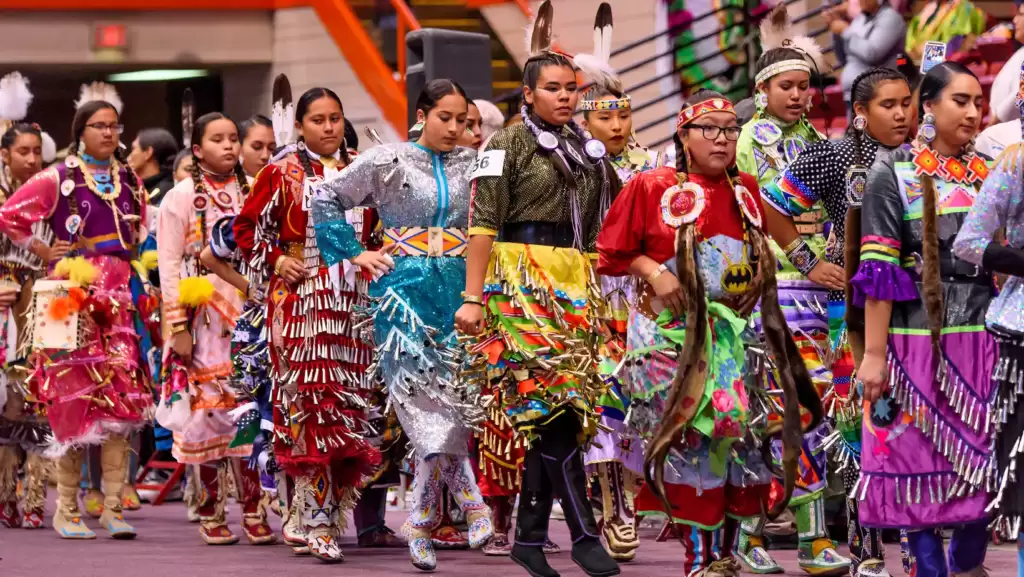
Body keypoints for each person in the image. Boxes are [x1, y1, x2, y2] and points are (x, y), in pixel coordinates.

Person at [598, 86, 819, 577]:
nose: (722, 139)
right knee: (694, 442)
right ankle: (699, 560)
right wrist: (656, 272)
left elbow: (760, 249)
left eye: (729, 129)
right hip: (672, 336)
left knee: (737, 443)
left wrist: (759, 276)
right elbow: (611, 253)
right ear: (684, 133)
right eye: (710, 130)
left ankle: (724, 554)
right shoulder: (651, 186)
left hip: (737, 335)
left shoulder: (746, 190)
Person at [453, 3, 621, 576]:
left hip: (575, 280)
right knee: (553, 411)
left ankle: (528, 539)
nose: (566, 98)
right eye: (552, 89)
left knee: (564, 411)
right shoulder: (505, 144)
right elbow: (481, 223)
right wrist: (473, 298)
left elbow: (610, 221)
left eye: (572, 89)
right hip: (520, 278)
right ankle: (582, 532)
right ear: (527, 95)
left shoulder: (586, 147)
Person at [313, 78, 492, 572]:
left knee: (455, 400)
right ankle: (468, 502)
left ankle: (422, 519)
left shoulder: (478, 168)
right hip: (400, 294)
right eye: (446, 118)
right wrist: (356, 254)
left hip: (460, 293)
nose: (456, 129)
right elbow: (325, 197)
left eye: (465, 121)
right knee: (420, 404)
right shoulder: (387, 160)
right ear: (422, 114)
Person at [763, 67, 913, 577]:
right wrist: (809, 262)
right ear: (860, 113)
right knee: (857, 422)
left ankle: (916, 547)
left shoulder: (918, 160)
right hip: (850, 307)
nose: (900, 113)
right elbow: (772, 207)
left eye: (906, 103)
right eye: (888, 105)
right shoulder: (833, 155)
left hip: (913, 305)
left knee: (908, 419)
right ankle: (866, 550)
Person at [853, 61, 992, 577]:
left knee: (986, 463)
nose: (974, 113)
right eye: (961, 101)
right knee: (912, 462)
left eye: (979, 102)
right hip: (914, 344)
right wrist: (872, 355)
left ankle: (968, 562)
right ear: (926, 107)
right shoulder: (894, 173)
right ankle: (930, 570)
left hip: (984, 341)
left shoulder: (991, 171)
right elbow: (879, 270)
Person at [234, 87, 380, 563]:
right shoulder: (282, 171)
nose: (328, 127)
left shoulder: (361, 168)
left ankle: (320, 512)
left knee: (347, 405)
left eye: (335, 118)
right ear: (299, 126)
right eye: (317, 119)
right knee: (310, 406)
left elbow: (377, 231)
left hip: (353, 304)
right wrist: (277, 261)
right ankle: (314, 518)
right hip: (300, 302)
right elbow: (245, 230)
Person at [0, 100, 153, 540]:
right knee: (70, 399)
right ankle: (65, 509)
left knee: (121, 401)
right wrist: (44, 250)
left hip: (117, 297)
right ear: (80, 131)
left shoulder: (128, 180)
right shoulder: (58, 178)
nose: (108, 133)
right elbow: (10, 216)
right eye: (98, 126)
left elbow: (138, 232)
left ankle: (110, 507)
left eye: (113, 126)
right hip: (66, 295)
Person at [735, 6, 849, 575]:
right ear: (761, 89)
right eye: (787, 86)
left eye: (806, 86)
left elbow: (833, 212)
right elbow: (750, 210)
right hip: (763, 287)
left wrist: (830, 259)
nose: (799, 95)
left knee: (816, 408)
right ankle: (749, 534)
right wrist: (804, 257)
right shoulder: (745, 141)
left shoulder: (821, 142)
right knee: (767, 409)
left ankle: (813, 537)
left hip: (817, 293)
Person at [573, 3, 662, 561]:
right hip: (590, 288)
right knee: (601, 393)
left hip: (643, 295)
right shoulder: (574, 163)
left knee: (641, 396)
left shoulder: (654, 164)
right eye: (606, 117)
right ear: (586, 120)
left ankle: (625, 494)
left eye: (624, 115)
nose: (618, 125)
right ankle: (611, 507)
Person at [158, 112, 271, 546]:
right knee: (208, 413)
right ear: (197, 149)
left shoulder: (255, 189)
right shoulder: (181, 196)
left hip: (250, 308)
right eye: (217, 140)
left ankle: (254, 507)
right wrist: (177, 326)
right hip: (201, 313)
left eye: (232, 139)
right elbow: (169, 265)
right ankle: (210, 508)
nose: (228, 146)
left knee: (248, 409)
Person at [0, 119, 53, 531]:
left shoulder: (54, 196)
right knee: (6, 402)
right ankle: (4, 493)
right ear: (5, 155)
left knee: (40, 399)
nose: (32, 160)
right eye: (23, 152)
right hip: (5, 311)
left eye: (37, 152)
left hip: (47, 306)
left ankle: (35, 495)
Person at [826, 0, 907, 108]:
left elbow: (872, 54)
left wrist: (845, 30)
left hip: (877, 94)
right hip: (852, 94)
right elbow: (844, 58)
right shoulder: (860, 19)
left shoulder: (891, 18)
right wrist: (837, 32)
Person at [904, 0, 987, 65]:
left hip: (945, 68)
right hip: (918, 64)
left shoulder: (965, 9)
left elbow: (961, 46)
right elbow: (911, 43)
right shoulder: (929, 9)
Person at [127, 128, 178, 207]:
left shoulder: (166, 194)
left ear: (148, 153)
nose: (129, 157)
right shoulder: (136, 187)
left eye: (133, 149)